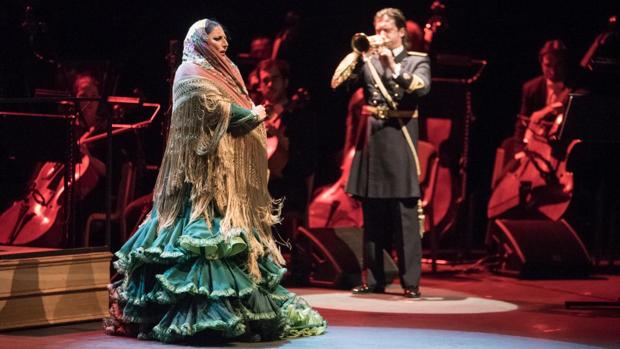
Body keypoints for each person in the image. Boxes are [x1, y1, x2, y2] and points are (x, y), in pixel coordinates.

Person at [104, 19, 326, 343]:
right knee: (199, 245)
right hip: (195, 177)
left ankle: (233, 313)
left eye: (224, 38)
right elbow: (212, 108)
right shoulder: (188, 72)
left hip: (225, 175)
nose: (224, 44)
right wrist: (251, 116)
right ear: (201, 41)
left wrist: (251, 115)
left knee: (228, 243)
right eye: (217, 39)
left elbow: (237, 105)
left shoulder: (229, 71)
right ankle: (190, 317)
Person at [332, 8, 431, 298]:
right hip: (373, 142)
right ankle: (373, 279)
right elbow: (338, 84)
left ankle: (410, 282)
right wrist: (357, 56)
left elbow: (421, 89)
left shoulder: (417, 61)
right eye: (378, 28)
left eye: (387, 29)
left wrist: (394, 67)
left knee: (405, 217)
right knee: (372, 217)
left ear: (402, 32)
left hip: (399, 140)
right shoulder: (369, 61)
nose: (381, 34)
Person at [256, 58, 317, 259]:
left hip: (288, 183)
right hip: (261, 182)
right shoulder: (257, 113)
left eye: (274, 79)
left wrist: (281, 138)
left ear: (285, 82)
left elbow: (305, 159)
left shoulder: (298, 114)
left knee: (265, 199)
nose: (270, 85)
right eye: (265, 81)